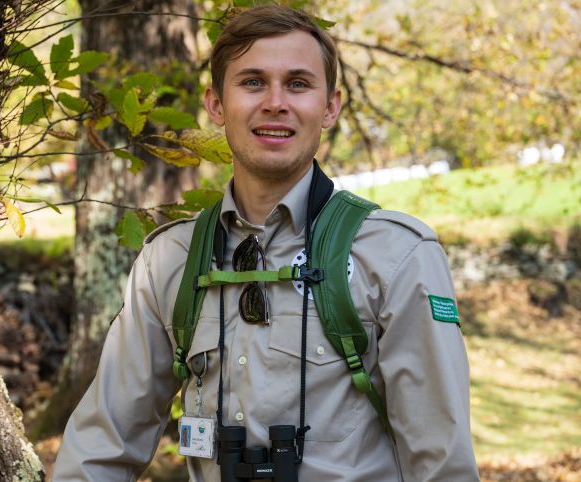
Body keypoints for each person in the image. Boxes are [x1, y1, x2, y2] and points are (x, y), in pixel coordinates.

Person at [54, 5, 479, 481]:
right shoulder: (169, 259)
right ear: (216, 104)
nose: (275, 102)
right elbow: (102, 445)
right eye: (253, 82)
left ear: (330, 106)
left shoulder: (395, 255)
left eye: (298, 83)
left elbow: (442, 464)